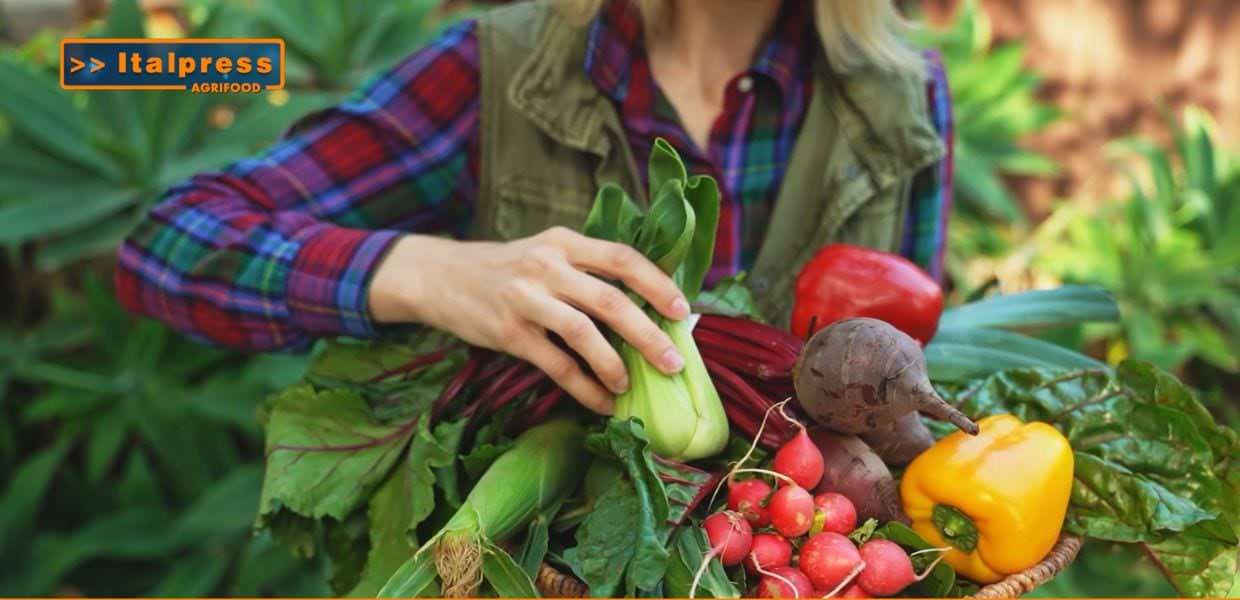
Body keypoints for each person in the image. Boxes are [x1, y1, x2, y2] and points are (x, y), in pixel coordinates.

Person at [116, 0, 953, 416]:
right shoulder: (499, 70)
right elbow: (173, 245)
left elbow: (916, 378)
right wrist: (426, 271)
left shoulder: (901, 101)